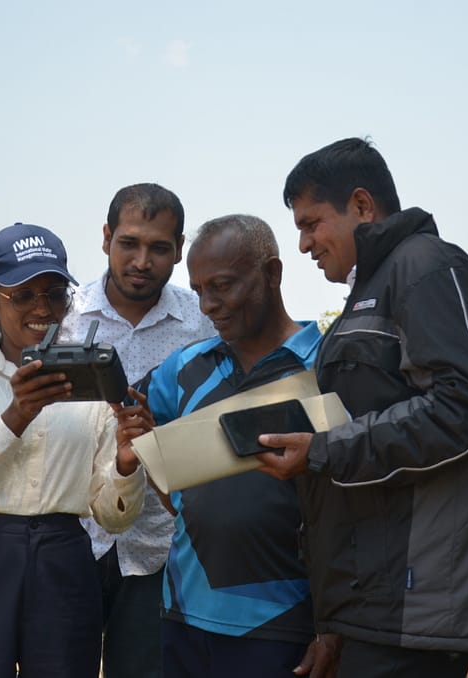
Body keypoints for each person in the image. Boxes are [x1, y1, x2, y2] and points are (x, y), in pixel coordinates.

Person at [257, 137, 468, 678]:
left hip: (421, 596)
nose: (306, 244)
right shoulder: (373, 287)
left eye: (312, 224)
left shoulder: (427, 268)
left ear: (361, 205)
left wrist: (326, 449)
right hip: (379, 593)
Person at [116, 214, 339, 678]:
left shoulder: (329, 367)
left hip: (282, 621)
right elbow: (173, 483)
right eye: (198, 290)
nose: (209, 305)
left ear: (272, 274)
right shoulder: (182, 371)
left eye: (222, 286)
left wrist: (332, 626)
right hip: (183, 614)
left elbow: (353, 511)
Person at [0, 222, 147, 678]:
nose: (41, 309)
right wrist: (15, 417)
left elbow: (112, 516)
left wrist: (126, 461)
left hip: (65, 559)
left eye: (54, 294)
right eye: (22, 295)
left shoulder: (93, 382)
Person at [58, 183, 214, 678]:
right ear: (106, 239)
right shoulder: (63, 316)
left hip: (159, 548)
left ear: (179, 250)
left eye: (159, 248)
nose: (142, 260)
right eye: (129, 243)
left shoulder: (203, 323)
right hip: (72, 537)